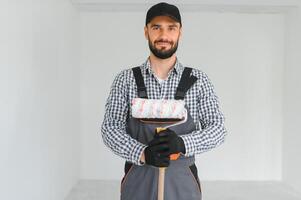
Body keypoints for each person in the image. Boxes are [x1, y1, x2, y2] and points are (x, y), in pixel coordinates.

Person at [101, 2, 227, 200]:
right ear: (146, 32)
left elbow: (218, 129)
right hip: (138, 180)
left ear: (180, 32)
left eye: (171, 28)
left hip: (183, 183)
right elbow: (110, 129)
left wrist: (182, 143)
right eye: (156, 27)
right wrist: (142, 153)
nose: (163, 35)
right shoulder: (125, 80)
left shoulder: (199, 81)